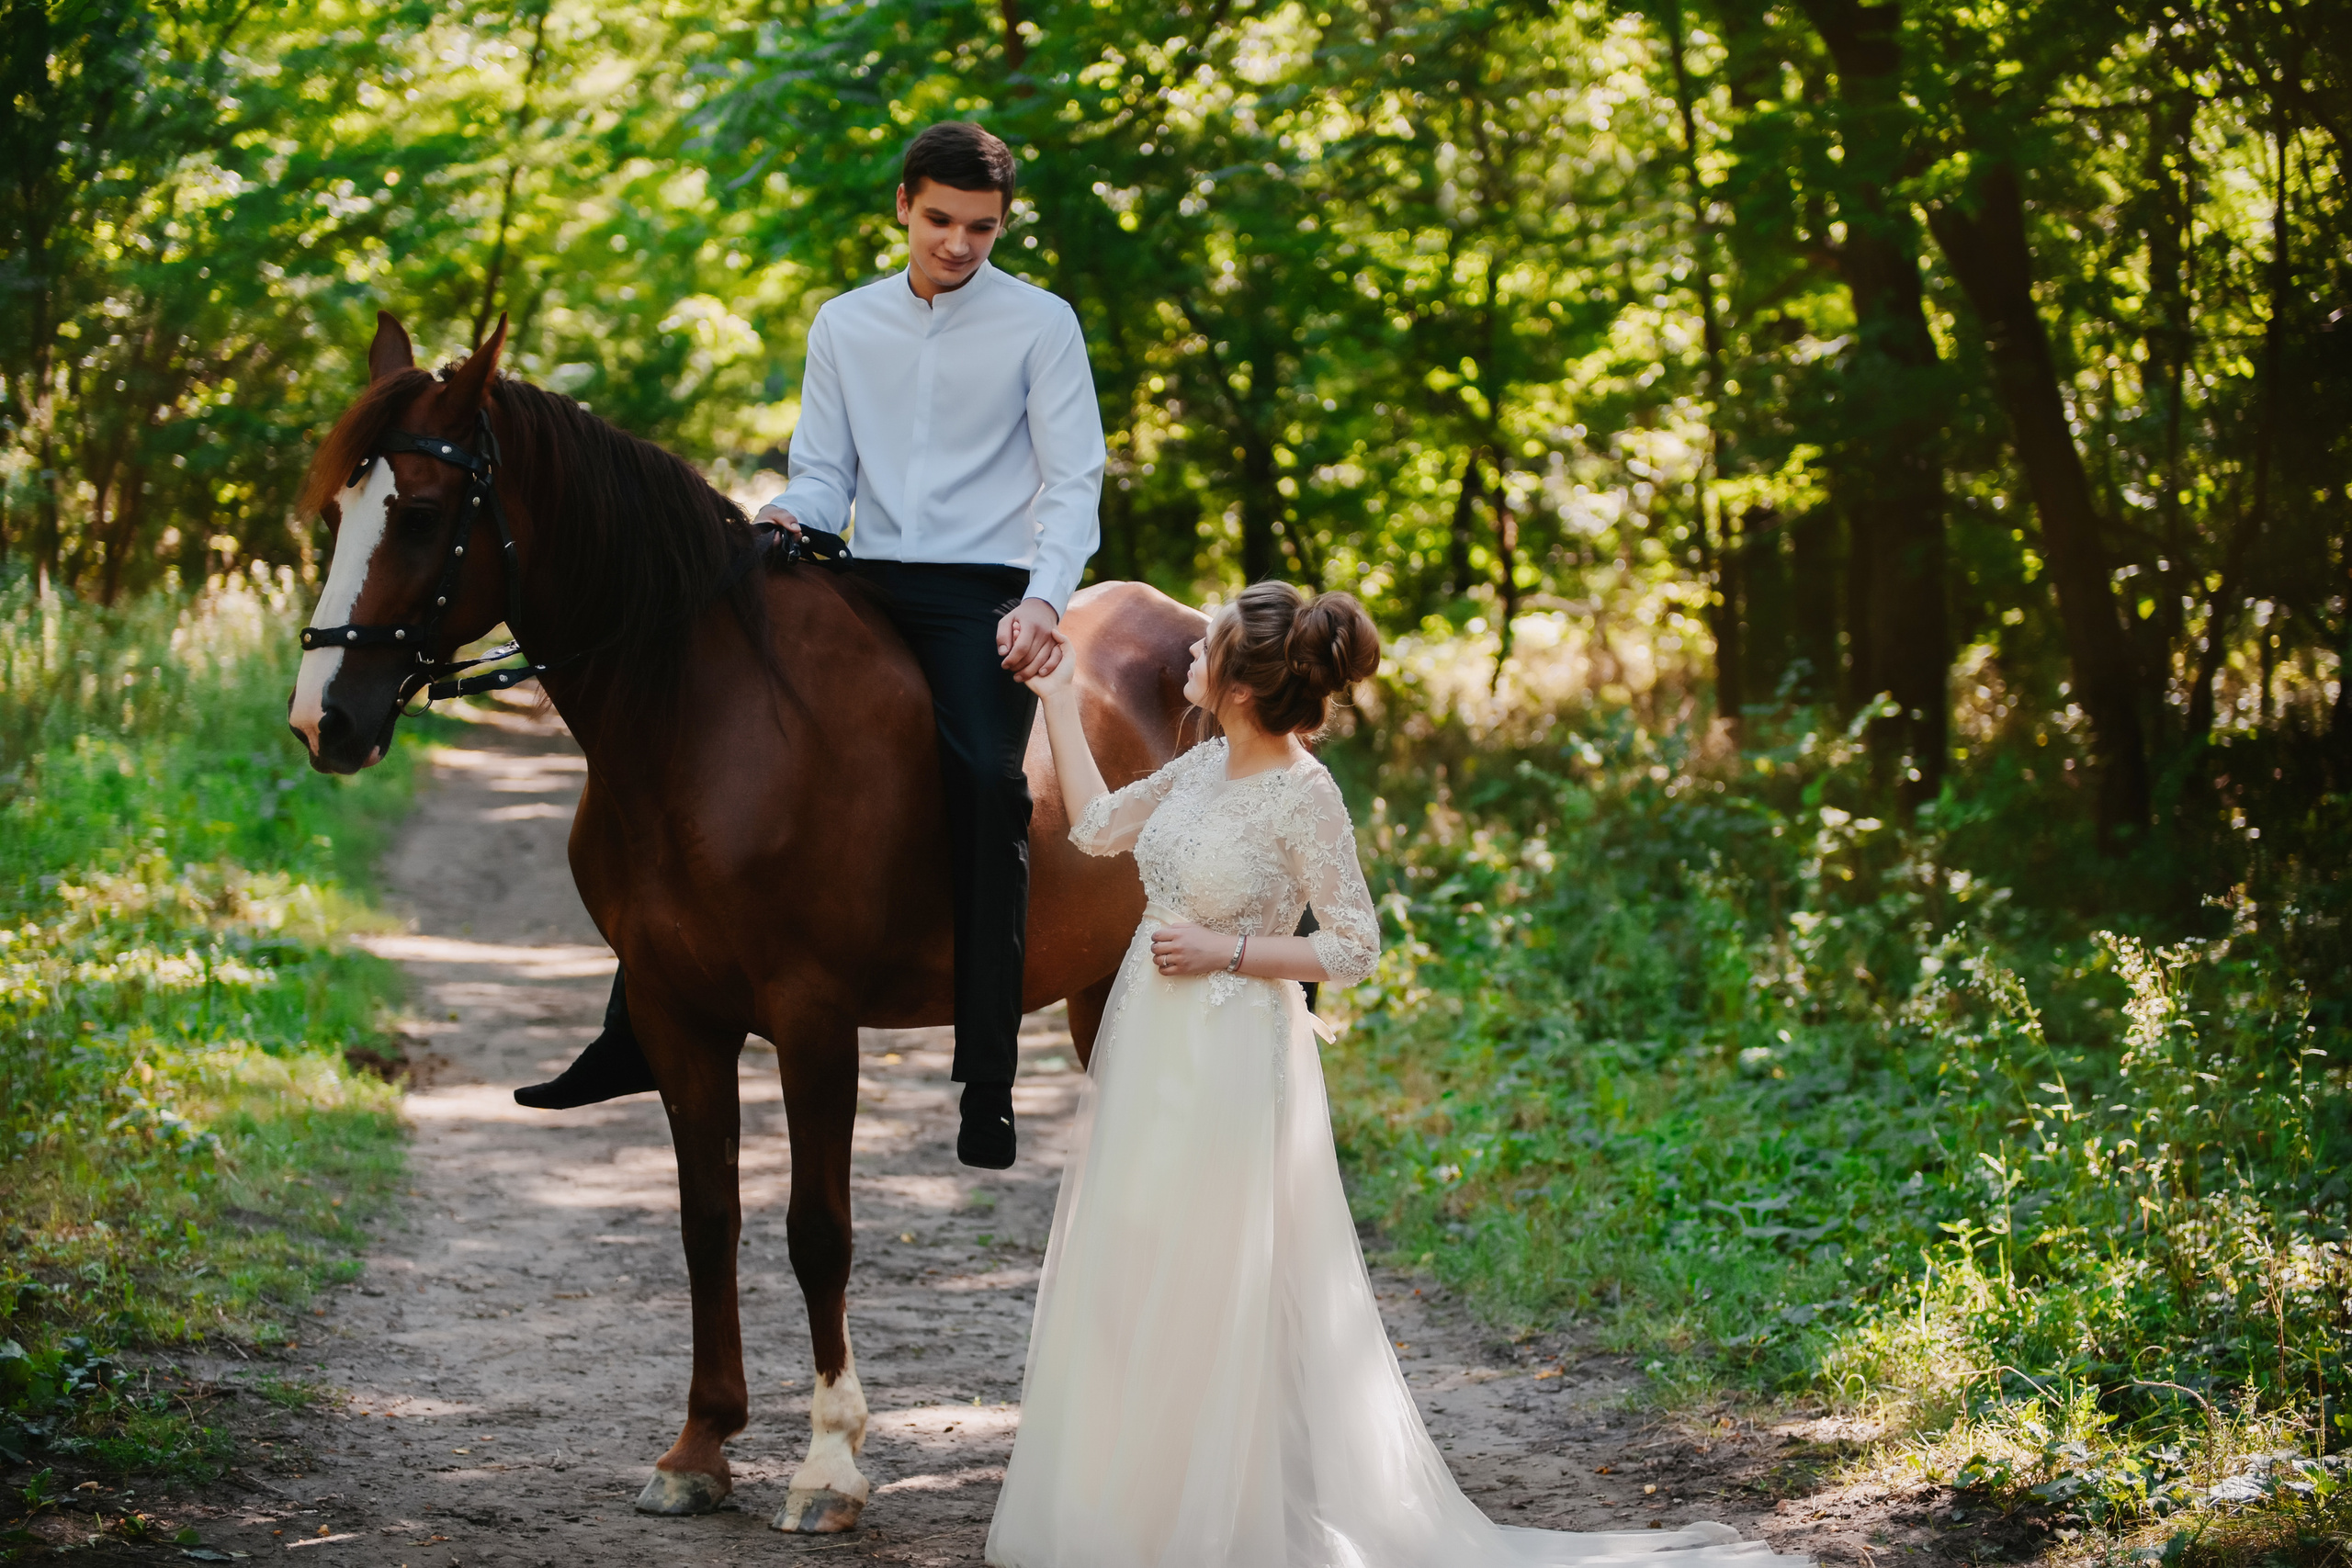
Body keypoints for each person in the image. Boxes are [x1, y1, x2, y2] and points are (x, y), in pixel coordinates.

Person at [986, 581, 1802, 1568]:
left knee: (1211, 1280)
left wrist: (1226, 950)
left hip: (1231, 1054)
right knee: (1135, 1265)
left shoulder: (1303, 792)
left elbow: (1356, 945)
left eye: (1204, 652)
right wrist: (1058, 698)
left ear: (1240, 687)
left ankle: (1214, 1521)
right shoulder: (1199, 765)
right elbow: (1097, 828)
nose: (1186, 660)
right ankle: (1125, 1511)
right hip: (1151, 1045)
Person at [514, 121, 1104, 1172]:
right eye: (940, 221)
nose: (960, 244)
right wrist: (788, 512)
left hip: (983, 597)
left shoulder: (1040, 325)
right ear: (903, 208)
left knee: (984, 778)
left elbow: (1073, 482)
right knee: (698, 731)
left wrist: (1046, 601)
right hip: (860, 575)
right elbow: (825, 467)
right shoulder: (847, 322)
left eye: (983, 227)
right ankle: (631, 1027)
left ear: (1003, 225)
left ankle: (987, 1073)